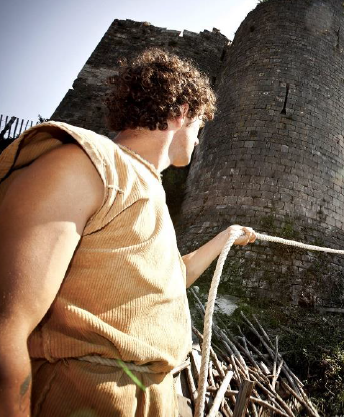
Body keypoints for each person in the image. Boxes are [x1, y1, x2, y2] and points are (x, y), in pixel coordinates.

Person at [0, 48, 257, 417]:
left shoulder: (147, 190)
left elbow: (168, 279)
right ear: (182, 111)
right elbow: (8, 328)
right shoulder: (85, 165)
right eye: (199, 126)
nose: (200, 140)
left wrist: (225, 236)